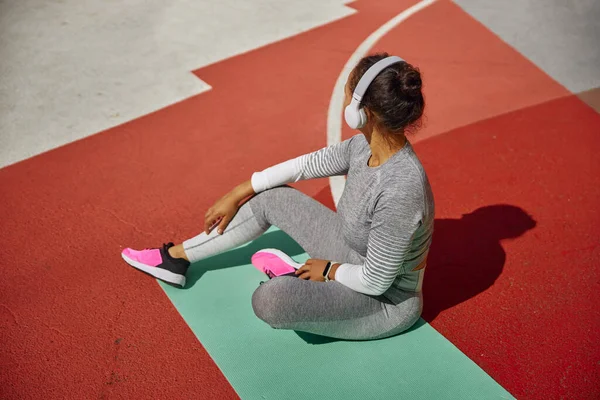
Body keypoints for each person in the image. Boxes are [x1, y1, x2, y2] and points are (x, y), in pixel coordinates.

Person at [121, 53, 435, 341]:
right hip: (351, 255)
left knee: (270, 301)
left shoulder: (400, 188)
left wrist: (326, 270)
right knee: (268, 196)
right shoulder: (362, 147)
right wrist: (241, 190)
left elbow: (376, 281)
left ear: (361, 112)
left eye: (347, 91)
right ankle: (174, 260)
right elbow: (306, 165)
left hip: (383, 303)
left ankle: (298, 282)